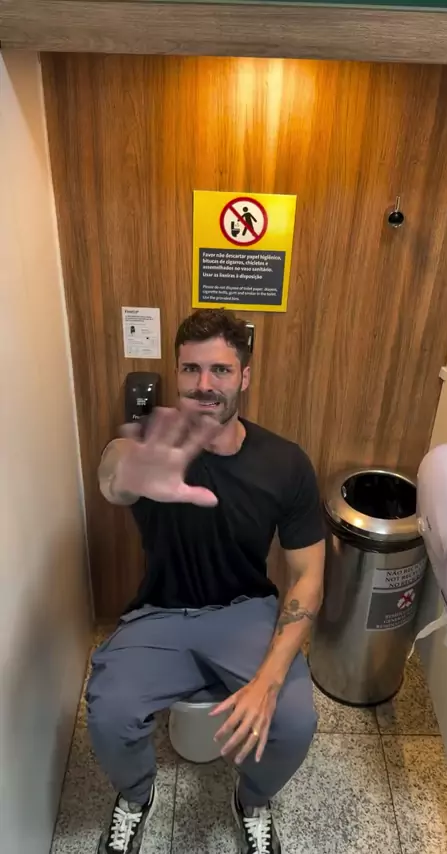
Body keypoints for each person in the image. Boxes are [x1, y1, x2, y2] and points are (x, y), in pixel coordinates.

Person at [88, 309, 325, 854]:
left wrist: (268, 682)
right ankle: (136, 796)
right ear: (177, 374)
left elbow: (308, 576)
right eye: (191, 369)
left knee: (294, 722)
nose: (204, 385)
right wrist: (132, 469)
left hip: (243, 611)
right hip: (161, 612)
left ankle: (253, 800)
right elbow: (112, 472)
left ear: (244, 376)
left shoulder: (285, 463)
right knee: (109, 714)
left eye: (220, 370)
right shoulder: (156, 445)